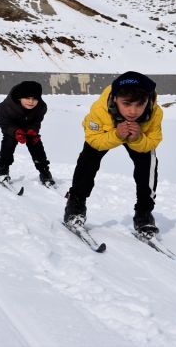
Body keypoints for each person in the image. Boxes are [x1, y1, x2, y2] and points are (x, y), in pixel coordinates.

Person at [63, 71, 163, 239]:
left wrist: (138, 138)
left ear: (148, 100)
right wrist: (116, 135)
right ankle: (76, 204)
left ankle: (144, 214)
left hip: (138, 135)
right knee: (89, 157)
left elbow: (152, 142)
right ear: (115, 98)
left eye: (140, 104)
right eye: (127, 104)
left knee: (148, 161)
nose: (133, 111)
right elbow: (93, 139)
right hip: (107, 133)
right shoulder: (99, 110)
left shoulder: (155, 112)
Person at [0, 81, 55, 186]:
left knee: (35, 143)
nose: (31, 102)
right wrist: (15, 132)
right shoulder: (6, 107)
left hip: (28, 124)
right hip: (10, 125)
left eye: (34, 99)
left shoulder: (41, 107)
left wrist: (32, 131)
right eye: (27, 98)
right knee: (9, 142)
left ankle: (44, 171)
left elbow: (36, 122)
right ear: (19, 98)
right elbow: (5, 125)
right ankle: (3, 170)